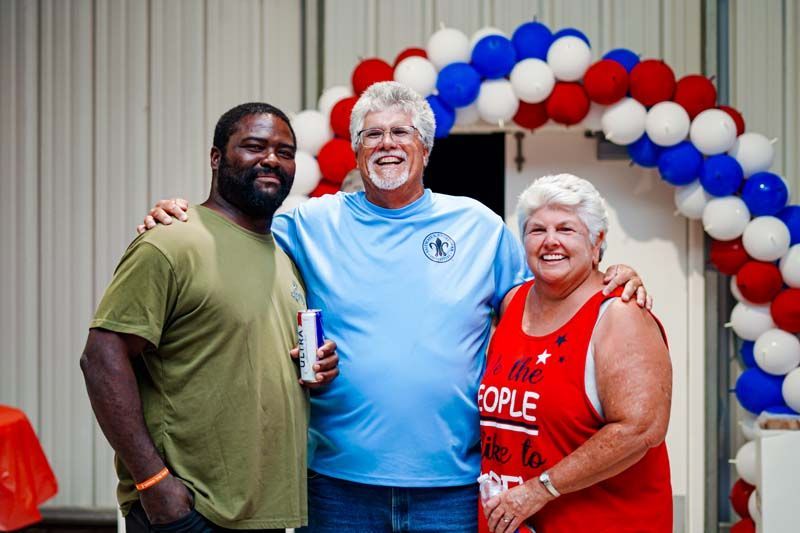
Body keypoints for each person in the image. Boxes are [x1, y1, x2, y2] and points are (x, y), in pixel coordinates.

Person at [139, 82, 649, 532]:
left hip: (453, 488)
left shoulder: (477, 225)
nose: (387, 144)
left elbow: (546, 293)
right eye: (372, 134)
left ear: (425, 149)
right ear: (356, 152)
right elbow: (236, 231)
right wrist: (180, 214)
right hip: (336, 486)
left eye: (401, 133)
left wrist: (610, 275)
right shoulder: (311, 223)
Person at [80, 102, 338, 533]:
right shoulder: (172, 241)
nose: (271, 159)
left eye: (285, 151)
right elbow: (101, 358)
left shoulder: (282, 257)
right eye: (254, 146)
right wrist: (154, 481)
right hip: (191, 510)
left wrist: (314, 368)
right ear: (216, 157)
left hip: (261, 512)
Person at [479, 174, 672, 533]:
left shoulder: (620, 313)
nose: (550, 241)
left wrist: (541, 489)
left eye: (566, 229)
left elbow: (640, 429)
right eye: (537, 230)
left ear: (597, 240)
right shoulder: (511, 303)